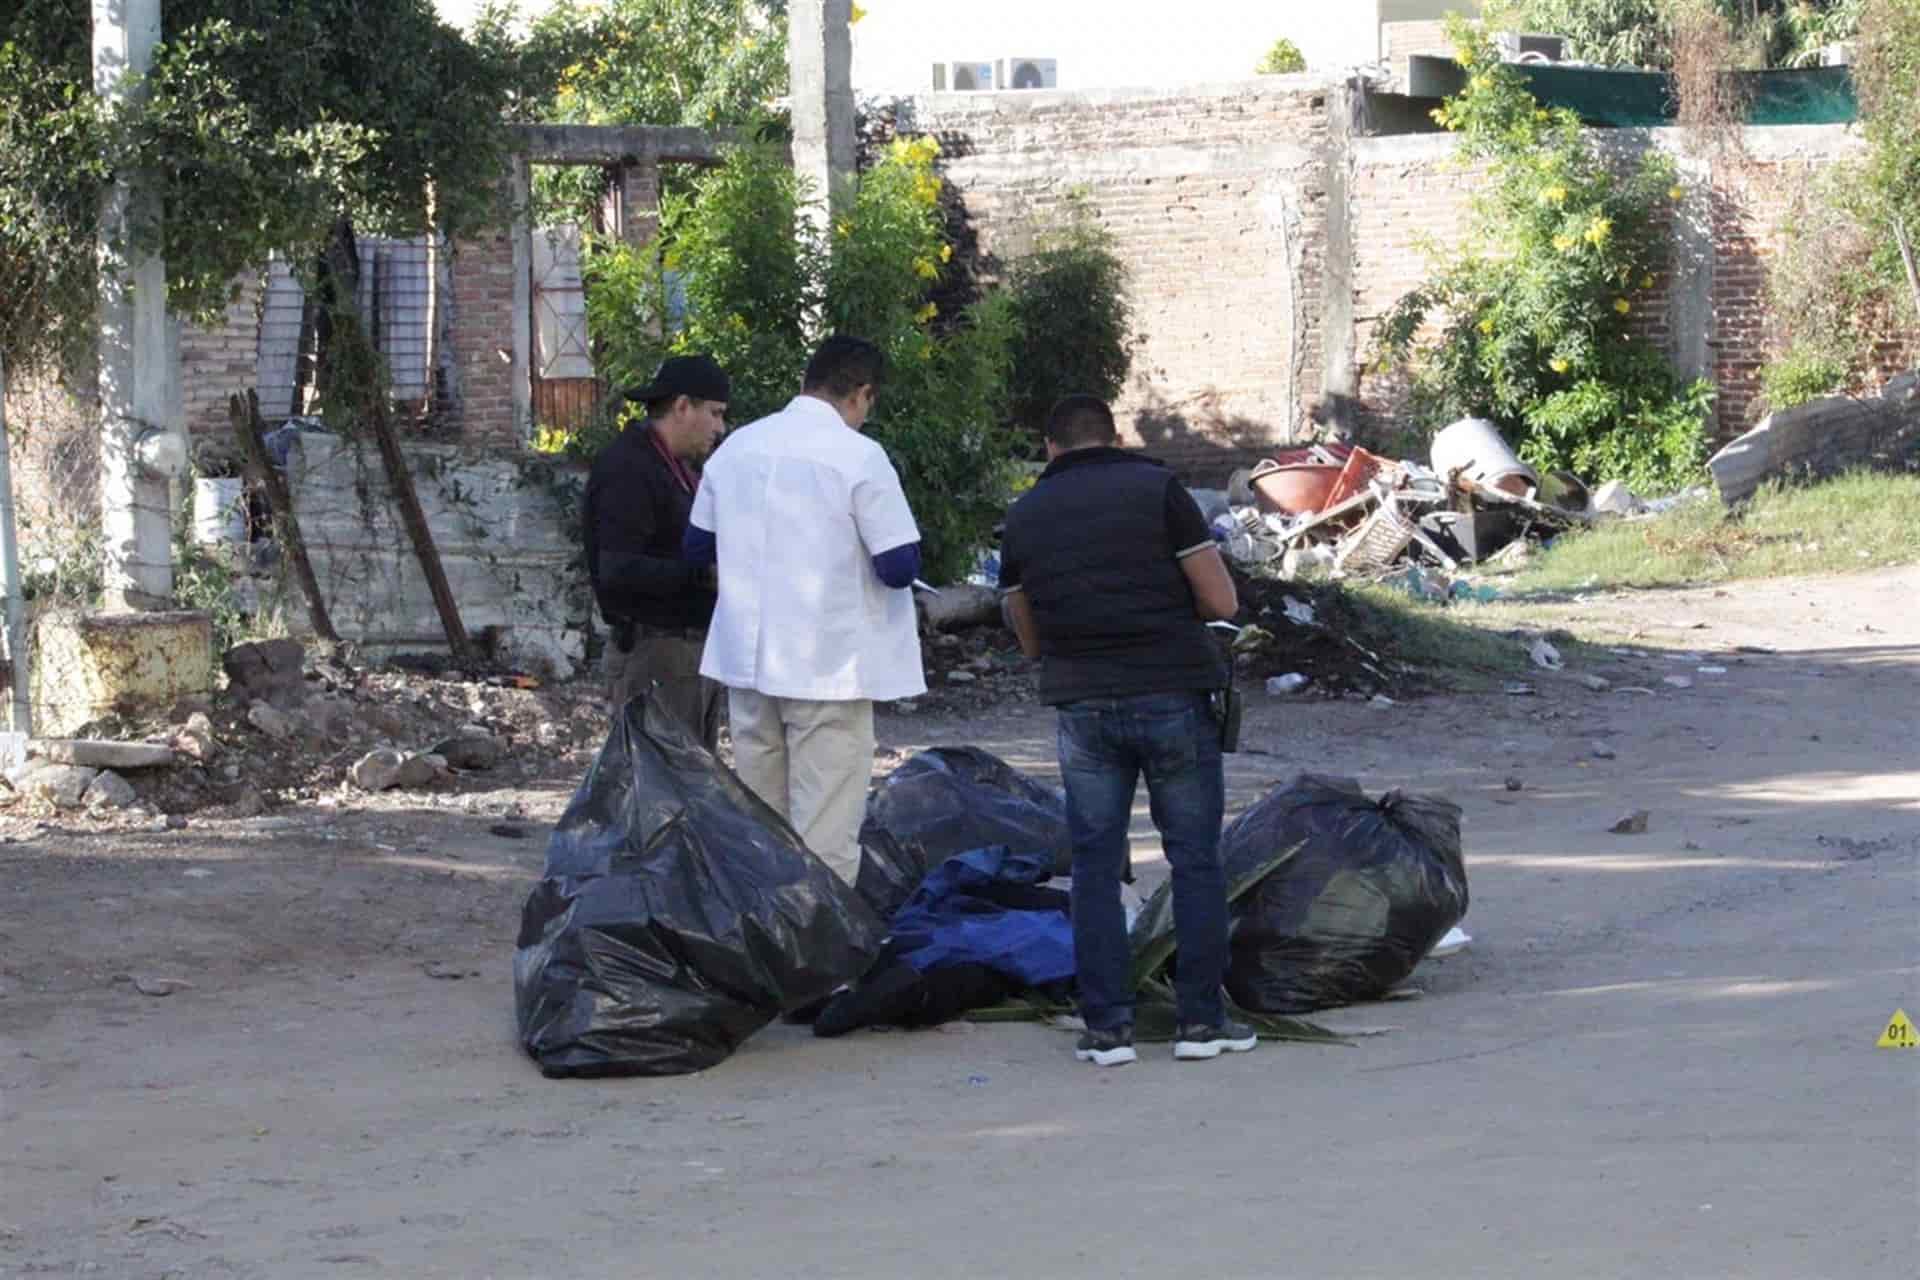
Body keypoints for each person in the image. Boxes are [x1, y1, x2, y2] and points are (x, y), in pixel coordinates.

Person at [997, 394, 1253, 1068]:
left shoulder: (1024, 515)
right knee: (1194, 858)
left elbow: (1029, 638)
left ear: (1050, 447)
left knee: (1094, 866)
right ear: (1113, 438)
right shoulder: (1159, 491)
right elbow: (1221, 599)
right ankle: (1201, 1024)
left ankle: (1107, 1029)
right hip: (1172, 693)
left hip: (1083, 705)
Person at [683, 336, 925, 885]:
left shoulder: (737, 448)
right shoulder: (859, 456)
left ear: (806, 381)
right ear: (862, 394)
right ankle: (820, 939)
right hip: (828, 669)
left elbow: (697, 547)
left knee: (763, 825)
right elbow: (897, 566)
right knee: (825, 832)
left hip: (749, 666)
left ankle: (765, 930)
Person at [582, 354, 730, 749]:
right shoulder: (629, 468)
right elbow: (617, 570)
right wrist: (705, 574)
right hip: (655, 654)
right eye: (715, 413)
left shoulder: (675, 468)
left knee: (690, 781)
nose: (720, 428)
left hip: (687, 654)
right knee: (659, 782)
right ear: (682, 406)